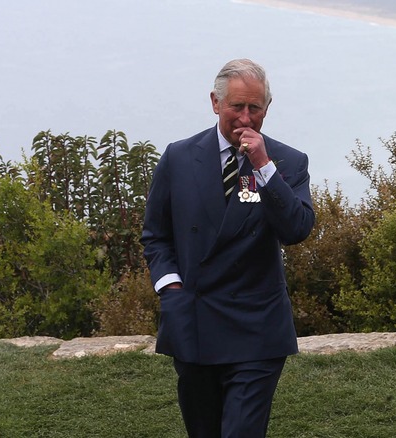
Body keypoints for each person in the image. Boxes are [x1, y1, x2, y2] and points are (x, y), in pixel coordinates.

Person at [141, 58, 315, 437]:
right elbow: (155, 234)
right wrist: (171, 289)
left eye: (255, 108)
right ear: (215, 103)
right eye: (237, 106)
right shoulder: (179, 157)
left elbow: (296, 229)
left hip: (257, 328)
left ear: (267, 108)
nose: (246, 118)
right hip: (195, 321)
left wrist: (263, 166)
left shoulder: (288, 162)